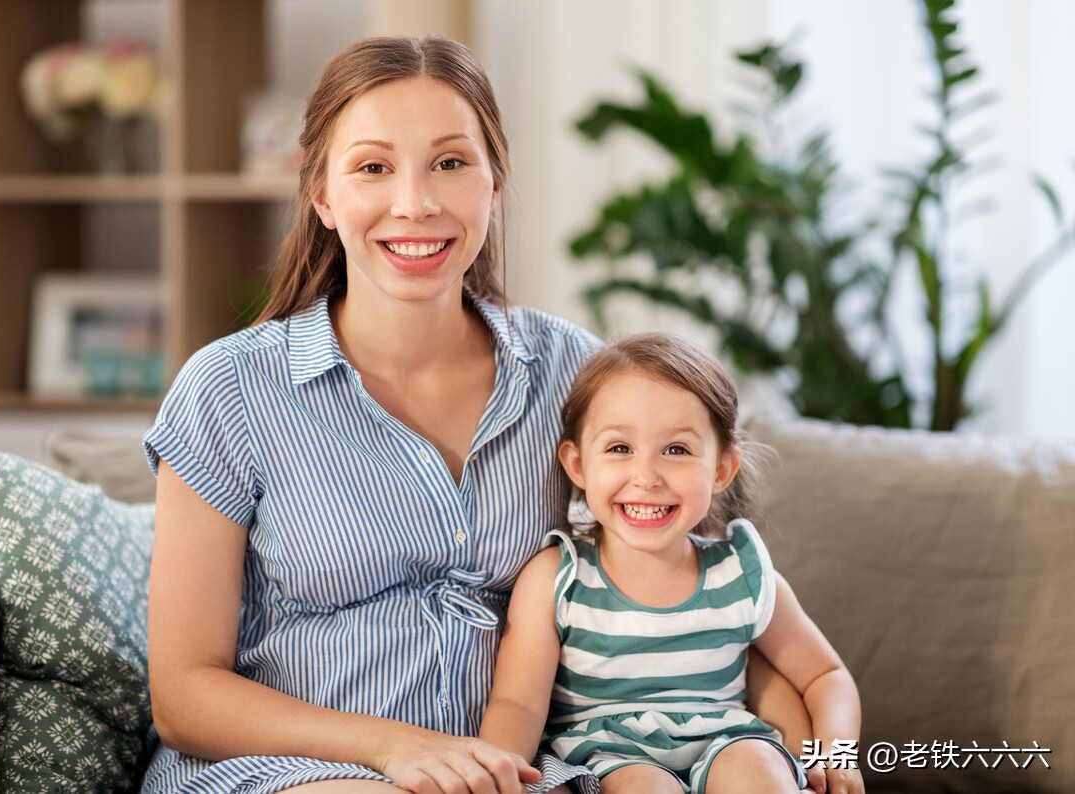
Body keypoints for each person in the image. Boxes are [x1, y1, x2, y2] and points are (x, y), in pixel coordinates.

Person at [142, 35, 809, 794]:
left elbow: (696, 597)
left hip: (518, 773)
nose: (415, 203)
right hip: (290, 770)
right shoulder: (229, 389)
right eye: (373, 167)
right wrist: (396, 750)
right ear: (323, 195)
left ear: (494, 184)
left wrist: (811, 752)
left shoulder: (575, 377)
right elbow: (184, 693)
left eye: (451, 163)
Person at [479, 333, 865, 794]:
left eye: (677, 450)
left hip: (727, 741)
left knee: (760, 771)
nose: (646, 477)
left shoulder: (743, 573)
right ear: (577, 464)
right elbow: (518, 703)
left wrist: (835, 758)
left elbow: (826, 675)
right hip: (609, 758)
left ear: (721, 469)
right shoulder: (556, 577)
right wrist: (498, 774)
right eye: (619, 448)